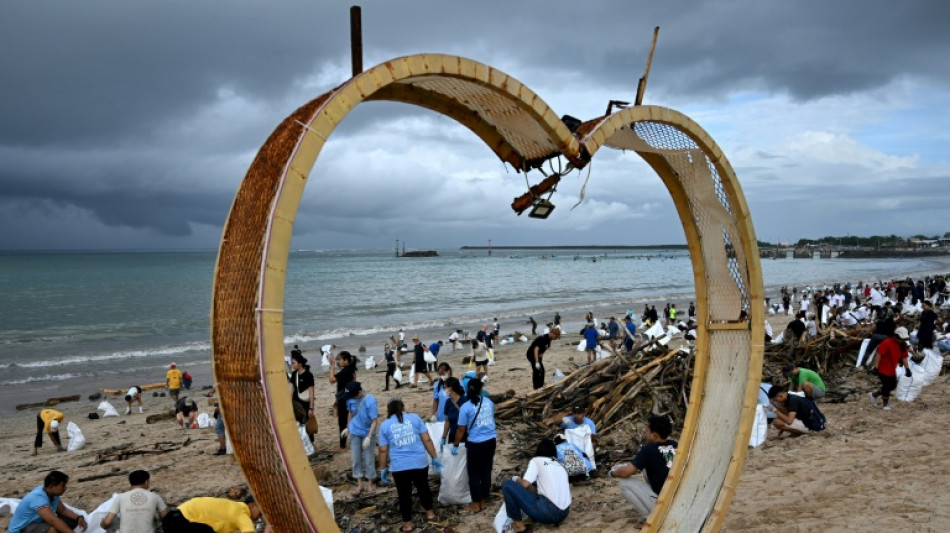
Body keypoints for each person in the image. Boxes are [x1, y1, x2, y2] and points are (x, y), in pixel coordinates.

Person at [377, 398, 440, 533]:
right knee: (423, 487)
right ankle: (430, 513)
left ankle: (407, 524)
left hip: (399, 466)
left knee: (404, 494)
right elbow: (427, 439)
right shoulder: (415, 418)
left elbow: (383, 450)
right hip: (419, 462)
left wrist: (382, 468)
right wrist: (434, 457)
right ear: (403, 407)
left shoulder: (385, 425)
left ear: (389, 411)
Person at [610, 415, 677, 524]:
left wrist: (613, 473)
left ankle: (649, 517)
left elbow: (627, 472)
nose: (645, 433)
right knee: (647, 468)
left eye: (647, 431)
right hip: (677, 497)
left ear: (654, 435)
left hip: (663, 503)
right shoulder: (675, 444)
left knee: (624, 483)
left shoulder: (648, 450)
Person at [501, 438, 572, 532]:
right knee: (535, 489)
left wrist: (516, 479)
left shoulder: (536, 460)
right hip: (564, 513)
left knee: (507, 485)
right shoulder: (559, 465)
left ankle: (518, 525)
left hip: (549, 512)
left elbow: (525, 484)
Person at [452, 378, 496, 513]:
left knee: (474, 473)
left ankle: (476, 503)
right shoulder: (489, 402)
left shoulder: (465, 407)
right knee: (486, 471)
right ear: (481, 389)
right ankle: (483, 501)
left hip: (475, 444)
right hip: (490, 441)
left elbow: (461, 429)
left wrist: (455, 444)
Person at [8, 471, 87, 533]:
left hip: (37, 522)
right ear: (52, 486)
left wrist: (78, 517)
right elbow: (52, 520)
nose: (65, 488)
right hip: (22, 528)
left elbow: (63, 510)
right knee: (52, 530)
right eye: (62, 486)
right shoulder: (38, 498)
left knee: (71, 521)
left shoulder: (52, 493)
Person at [341, 382, 379, 495]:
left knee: (369, 458)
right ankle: (359, 484)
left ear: (358, 392)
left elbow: (374, 421)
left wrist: (369, 437)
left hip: (367, 433)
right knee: (355, 458)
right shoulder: (350, 400)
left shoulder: (370, 401)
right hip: (355, 432)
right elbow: (351, 413)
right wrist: (347, 428)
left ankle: (370, 483)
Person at [100, 469, 168, 533]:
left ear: (131, 482)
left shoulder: (120, 497)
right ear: (146, 482)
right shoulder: (155, 496)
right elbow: (166, 518)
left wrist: (102, 524)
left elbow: (107, 522)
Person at [164, 495, 266, 533]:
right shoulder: (242, 514)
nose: (260, 517)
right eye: (261, 513)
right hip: (184, 521)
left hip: (172, 517)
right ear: (252, 505)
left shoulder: (233, 506)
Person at [869, 327, 913, 411]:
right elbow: (879, 354)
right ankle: (885, 404)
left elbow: (904, 358)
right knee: (886, 386)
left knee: (892, 385)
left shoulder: (903, 345)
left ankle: (874, 395)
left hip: (892, 369)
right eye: (900, 338)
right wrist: (875, 366)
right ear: (895, 336)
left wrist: (907, 369)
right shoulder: (886, 343)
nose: (902, 340)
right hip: (883, 368)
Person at [329, 350, 357, 451]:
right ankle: (352, 441)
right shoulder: (351, 370)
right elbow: (354, 381)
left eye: (340, 359)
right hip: (349, 397)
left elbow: (331, 380)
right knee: (350, 420)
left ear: (346, 360)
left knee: (342, 422)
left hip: (344, 399)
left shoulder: (345, 371)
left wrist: (332, 365)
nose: (338, 361)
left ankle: (342, 446)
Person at [288, 352, 315, 442]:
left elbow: (311, 392)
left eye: (293, 363)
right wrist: (289, 402)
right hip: (296, 403)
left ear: (300, 364)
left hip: (305, 403)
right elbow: (292, 389)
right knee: (298, 423)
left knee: (307, 423)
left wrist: (311, 408)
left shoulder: (308, 375)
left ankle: (310, 442)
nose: (292, 365)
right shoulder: (294, 374)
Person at [439, 377, 468, 452]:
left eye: (445, 388)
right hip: (453, 435)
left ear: (450, 388)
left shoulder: (465, 401)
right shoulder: (448, 402)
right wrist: (444, 437)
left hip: (465, 436)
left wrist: (456, 445)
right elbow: (447, 421)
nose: (444, 390)